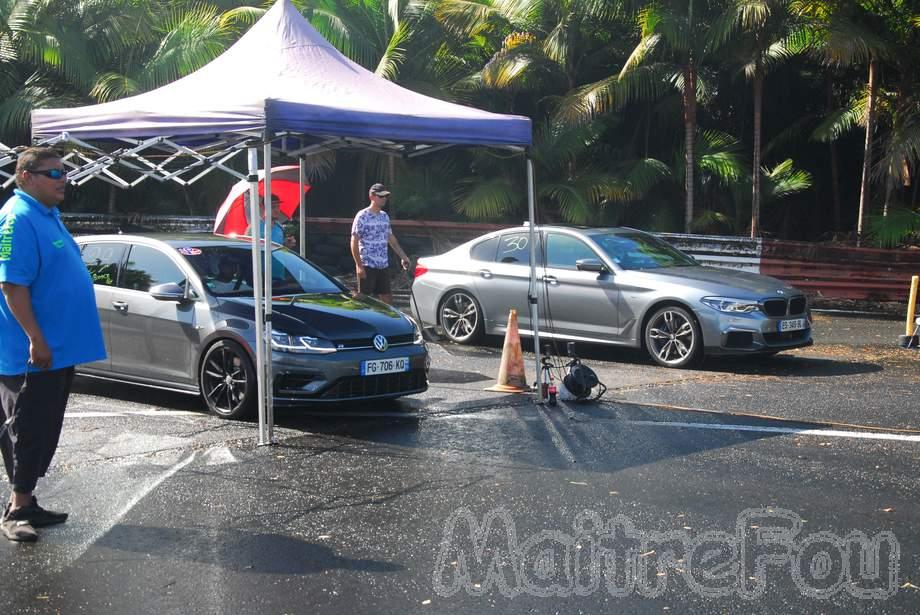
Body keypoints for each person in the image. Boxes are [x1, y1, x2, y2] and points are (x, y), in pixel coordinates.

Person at [0, 147, 106, 542]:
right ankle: (15, 510)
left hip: (60, 349)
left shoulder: (48, 215)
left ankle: (27, 503)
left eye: (65, 172)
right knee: (26, 428)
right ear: (25, 176)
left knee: (43, 428)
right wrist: (36, 339)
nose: (64, 179)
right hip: (33, 354)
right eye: (53, 173)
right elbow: (12, 285)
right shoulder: (17, 218)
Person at [350, 182, 410, 305]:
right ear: (371, 196)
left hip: (383, 264)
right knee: (363, 300)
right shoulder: (362, 216)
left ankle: (390, 323)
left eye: (385, 196)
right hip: (367, 264)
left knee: (387, 299)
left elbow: (391, 238)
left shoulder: (384, 216)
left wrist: (403, 256)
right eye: (381, 196)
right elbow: (353, 242)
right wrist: (359, 266)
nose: (384, 199)